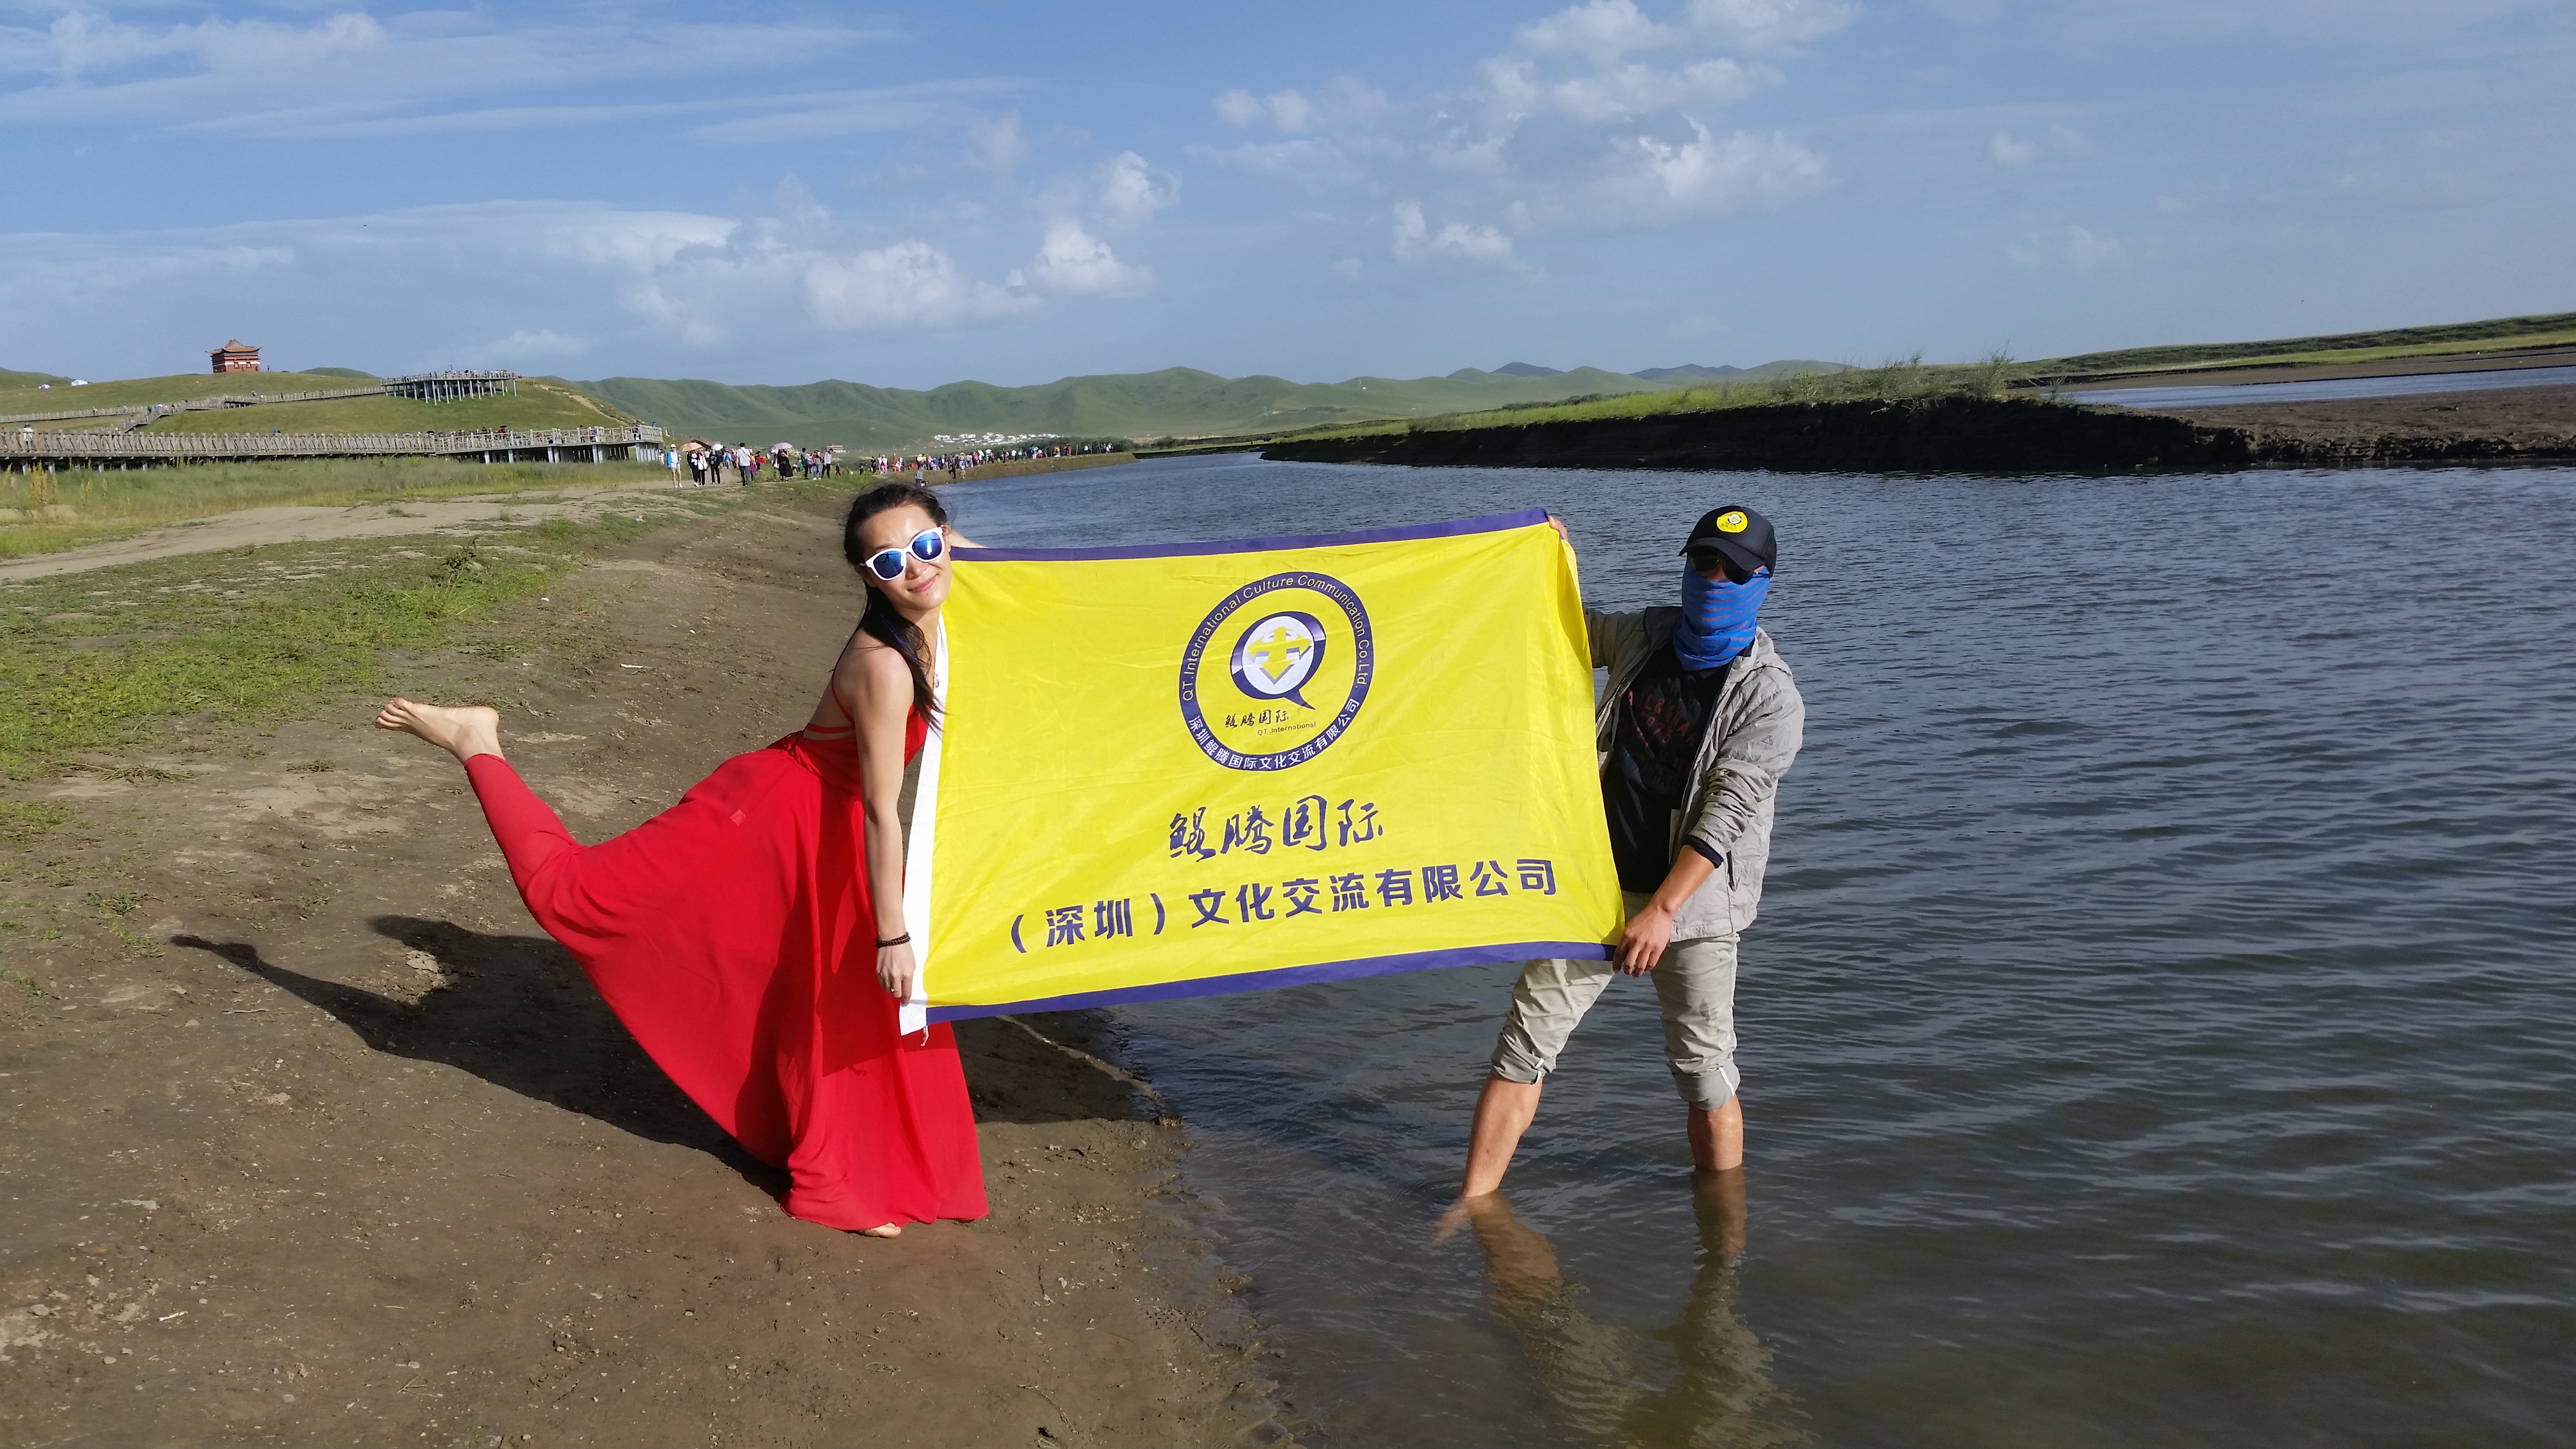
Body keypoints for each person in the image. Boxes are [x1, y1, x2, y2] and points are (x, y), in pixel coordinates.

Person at [372, 482, 988, 1237]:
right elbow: (878, 807)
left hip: (823, 831)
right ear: (867, 576)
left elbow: (1023, 575)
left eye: (928, 546)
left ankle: (864, 1156)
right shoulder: (886, 666)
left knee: (835, 998)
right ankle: (476, 742)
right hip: (770, 820)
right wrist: (893, 932)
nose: (918, 568)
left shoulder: (942, 595)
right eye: (892, 559)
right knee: (576, 897)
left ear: (949, 539)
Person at [1460, 504, 1804, 1198]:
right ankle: (1471, 1206)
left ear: (1762, 580)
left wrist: (1665, 912)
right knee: (1522, 1050)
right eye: (1703, 562)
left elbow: (1727, 810)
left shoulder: (1771, 697)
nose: (1714, 578)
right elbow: (1563, 630)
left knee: (1704, 1074)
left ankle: (1721, 1229)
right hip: (1593, 889)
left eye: (1733, 570)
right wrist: (1540, 560)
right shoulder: (1646, 635)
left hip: (1695, 911)